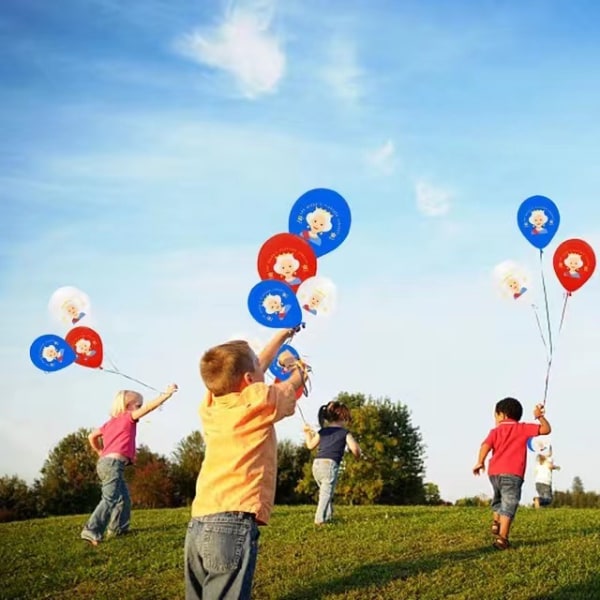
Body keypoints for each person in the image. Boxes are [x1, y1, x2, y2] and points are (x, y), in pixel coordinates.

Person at [184, 328, 310, 600]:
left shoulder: (210, 404)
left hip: (199, 522)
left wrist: (281, 336)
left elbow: (254, 370)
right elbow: (289, 387)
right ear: (249, 380)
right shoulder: (260, 402)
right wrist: (300, 371)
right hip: (232, 523)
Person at [80, 384, 179, 546]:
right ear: (128, 406)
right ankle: (91, 529)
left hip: (107, 463)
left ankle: (118, 529)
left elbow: (92, 436)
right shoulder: (128, 417)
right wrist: (166, 395)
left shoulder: (110, 423)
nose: (139, 409)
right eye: (138, 405)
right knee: (110, 498)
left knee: (123, 499)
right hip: (112, 464)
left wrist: (99, 451)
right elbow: (148, 408)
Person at [472, 397, 551, 550]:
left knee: (498, 498)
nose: (495, 419)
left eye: (496, 416)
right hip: (513, 473)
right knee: (509, 503)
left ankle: (496, 522)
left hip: (494, 472)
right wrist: (539, 416)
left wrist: (480, 461)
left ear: (502, 415)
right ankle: (502, 539)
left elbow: (485, 445)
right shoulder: (523, 428)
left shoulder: (495, 431)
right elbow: (546, 430)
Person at [303, 401, 361, 525]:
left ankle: (328, 516)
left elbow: (310, 445)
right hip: (329, 465)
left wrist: (307, 433)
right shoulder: (344, 433)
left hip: (317, 465)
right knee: (325, 494)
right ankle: (319, 520)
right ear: (342, 417)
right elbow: (355, 448)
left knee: (326, 491)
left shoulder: (323, 431)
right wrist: (358, 455)